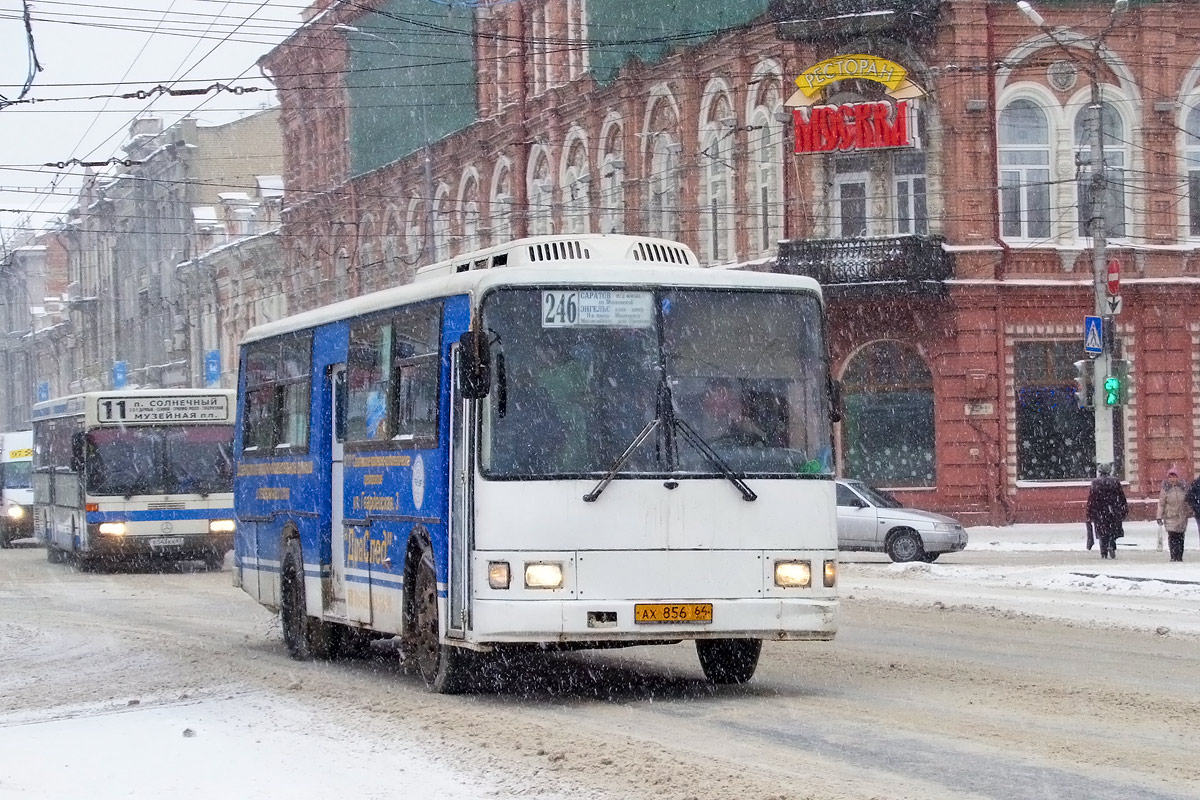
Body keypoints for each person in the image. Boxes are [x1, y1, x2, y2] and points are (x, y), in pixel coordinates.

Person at [699, 379, 767, 446]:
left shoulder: (740, 421)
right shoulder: (696, 422)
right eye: (718, 400)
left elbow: (763, 439)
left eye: (730, 401)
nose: (724, 404)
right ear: (706, 401)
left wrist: (740, 423)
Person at [1086, 464, 1127, 559]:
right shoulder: (1115, 481)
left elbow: (1091, 499)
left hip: (1099, 511)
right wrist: (1123, 509)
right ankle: (1111, 545)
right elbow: (1121, 497)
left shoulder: (1095, 482)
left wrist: (1089, 512)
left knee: (1102, 532)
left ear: (1099, 472)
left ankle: (1103, 551)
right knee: (1112, 530)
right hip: (1113, 510)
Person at [1157, 466, 1189, 562]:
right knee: (1172, 536)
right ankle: (1173, 555)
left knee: (1180, 536)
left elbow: (1188, 501)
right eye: (1170, 477)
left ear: (1177, 477)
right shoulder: (1166, 489)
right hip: (1170, 516)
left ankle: (1179, 556)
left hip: (1182, 516)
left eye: (1174, 476)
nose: (1172, 479)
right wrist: (1159, 516)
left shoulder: (1183, 488)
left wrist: (1189, 510)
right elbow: (1161, 503)